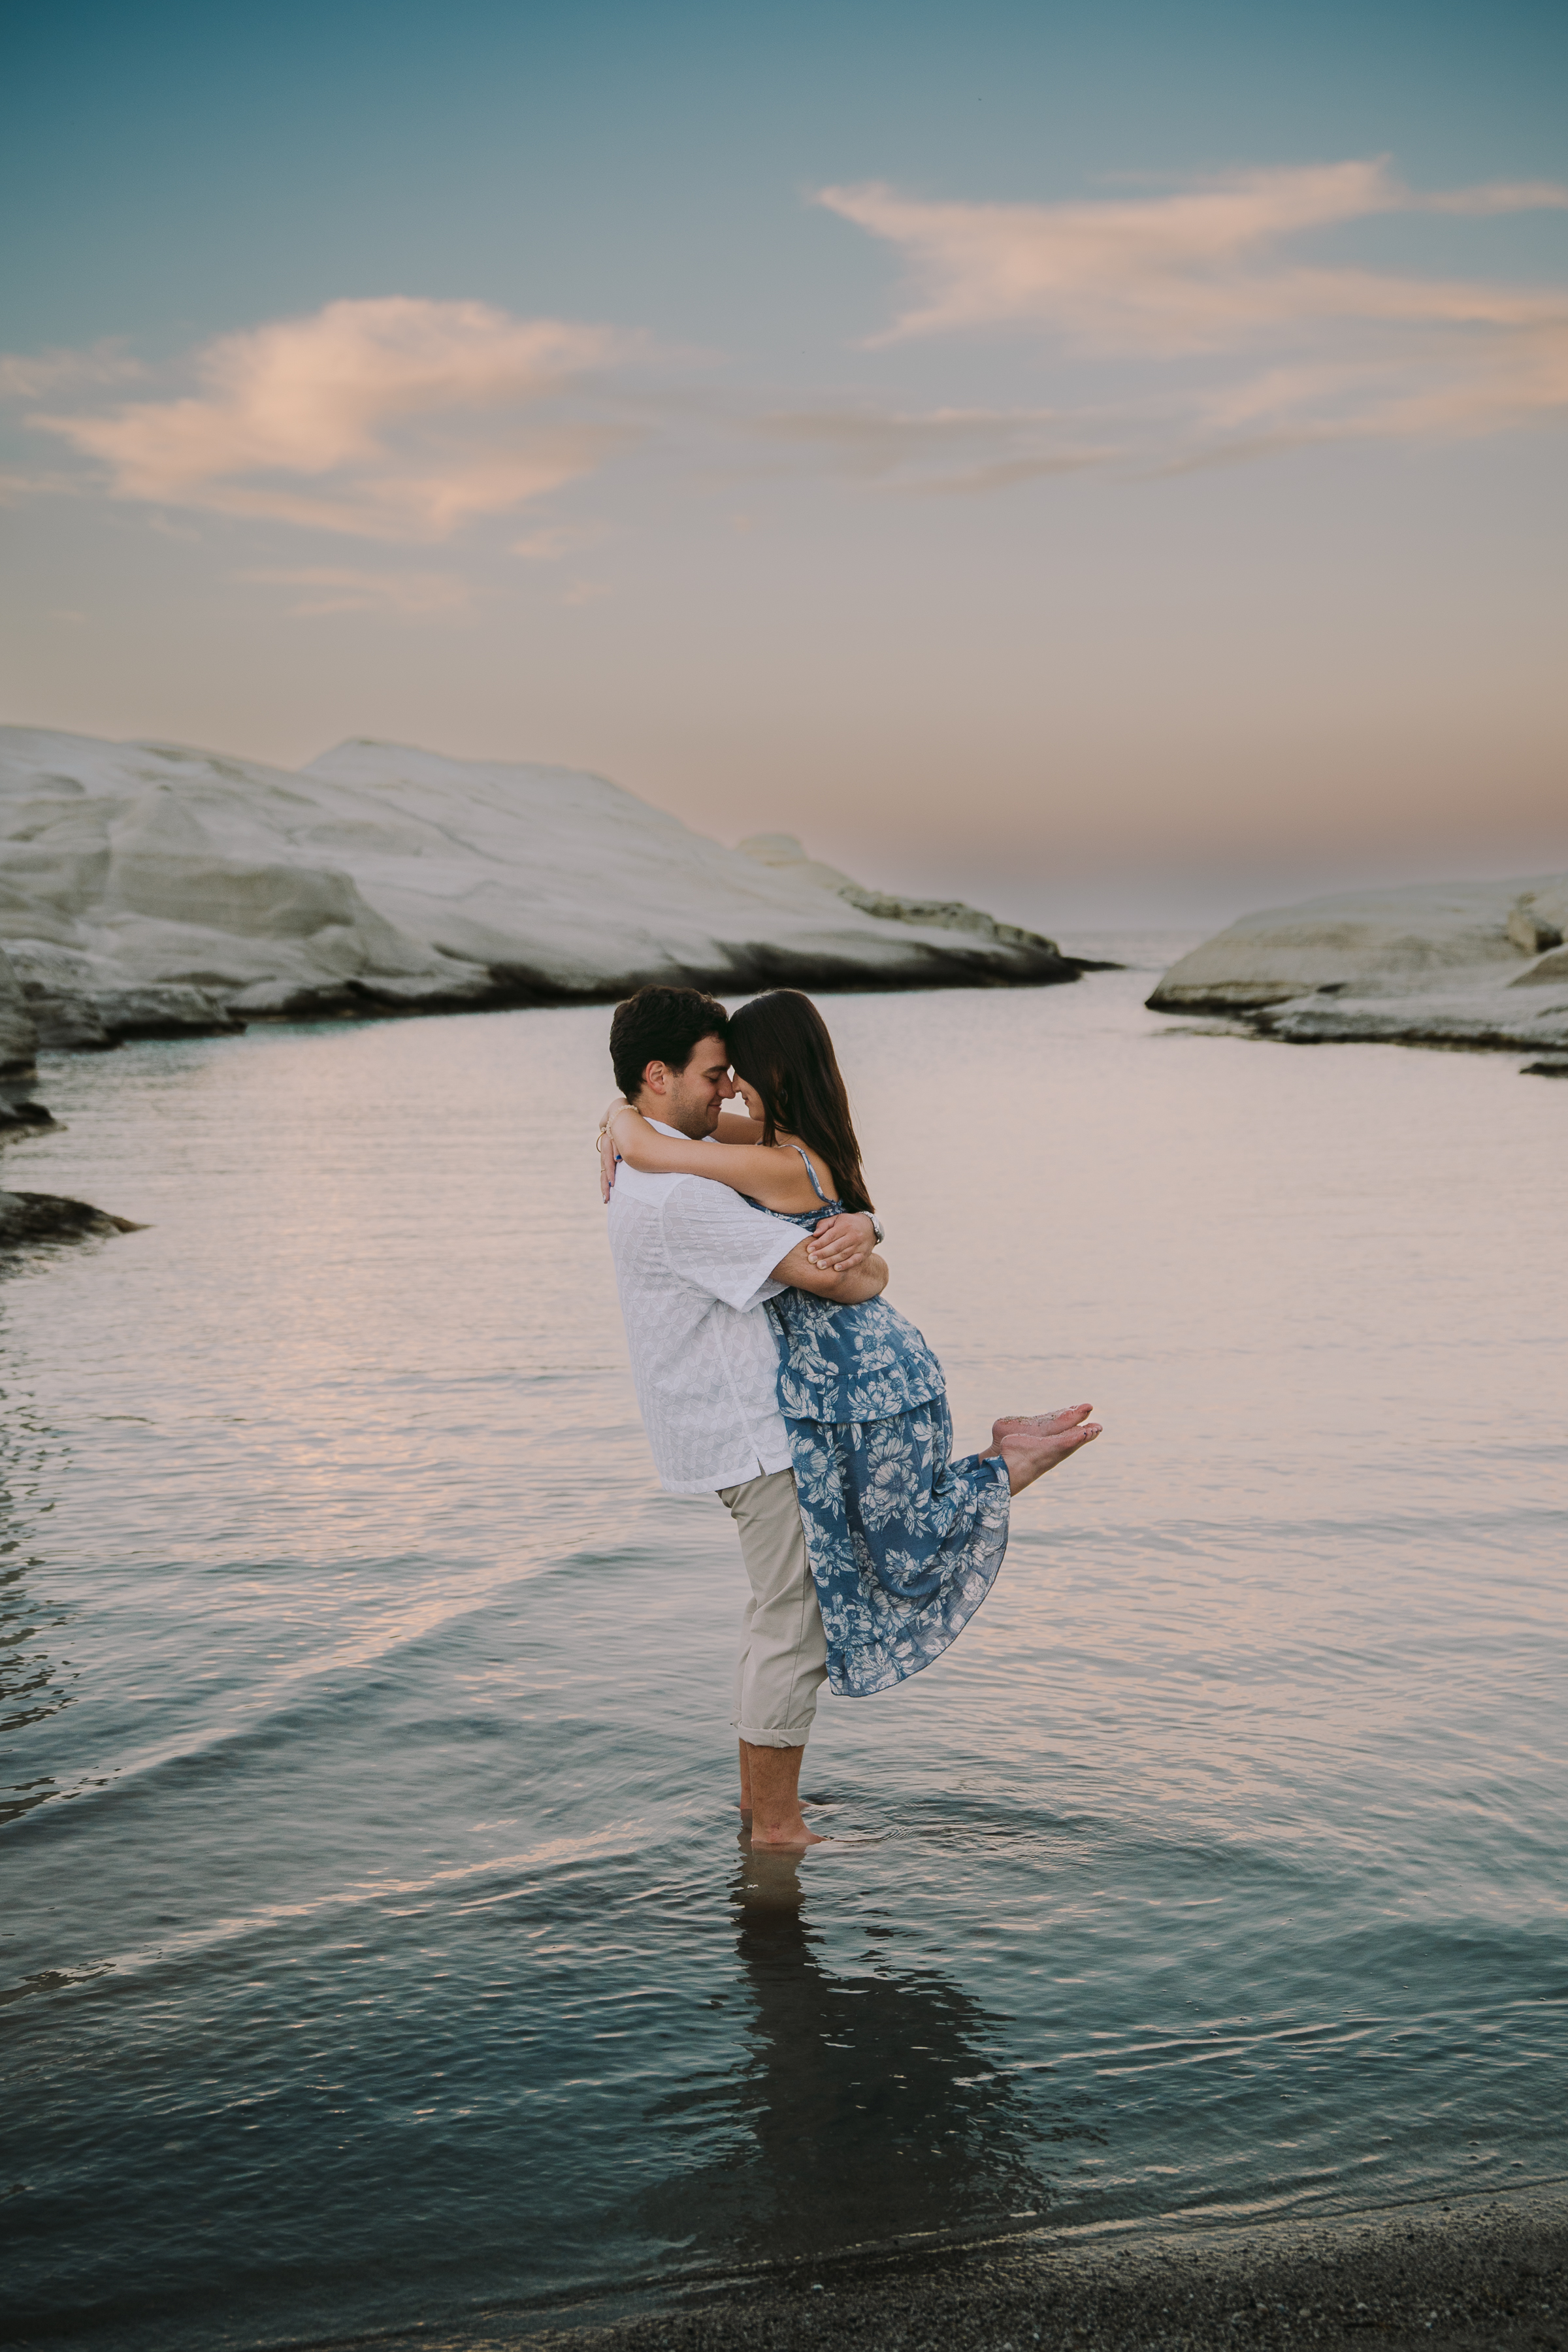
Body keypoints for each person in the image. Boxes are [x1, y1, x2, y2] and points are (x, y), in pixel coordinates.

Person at [600, 985, 1099, 1851]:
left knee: (797, 1608)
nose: (728, 1094)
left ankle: (764, 1815)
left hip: (786, 1419)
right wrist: (865, 1240)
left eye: (737, 1078)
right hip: (762, 1435)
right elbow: (846, 1277)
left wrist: (620, 1126)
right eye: (717, 1077)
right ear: (658, 1075)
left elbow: (829, 1231)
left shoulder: (674, 1162)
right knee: (801, 1621)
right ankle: (777, 1827)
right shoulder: (680, 1191)